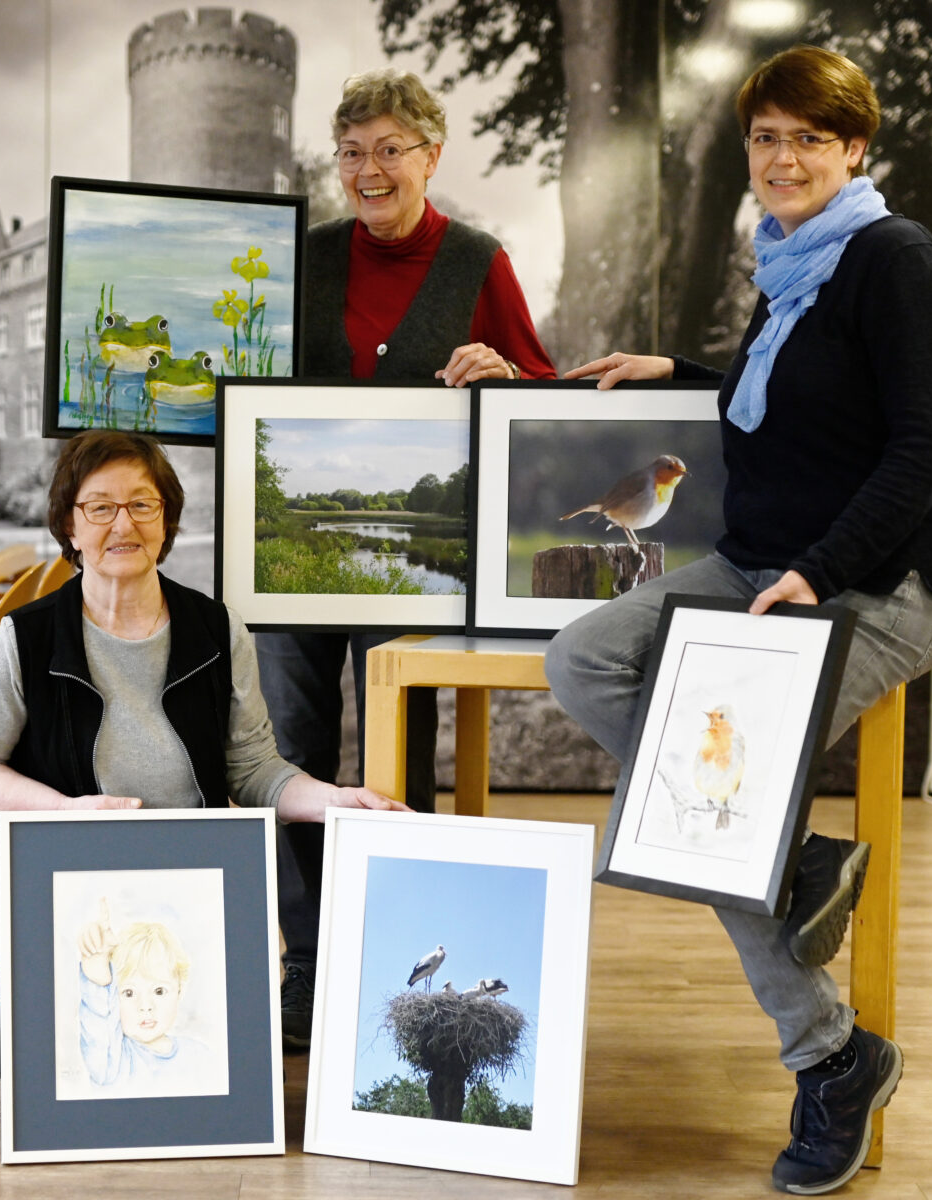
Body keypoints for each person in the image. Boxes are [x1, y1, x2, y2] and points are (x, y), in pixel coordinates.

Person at [546, 45, 932, 1195]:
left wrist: (820, 573)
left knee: (709, 807)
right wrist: (680, 364)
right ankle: (793, 862)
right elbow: (794, 382)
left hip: (877, 585)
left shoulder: (899, 263)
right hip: (757, 568)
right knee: (583, 654)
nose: (783, 159)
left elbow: (919, 454)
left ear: (854, 150)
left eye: (808, 140)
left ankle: (830, 1058)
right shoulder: (790, 263)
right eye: (766, 139)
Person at [0, 429, 408, 1079]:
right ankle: (14, 995)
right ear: (69, 526)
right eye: (100, 507)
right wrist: (63, 813)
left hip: (193, 889)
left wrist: (333, 800)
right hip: (78, 890)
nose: (121, 523)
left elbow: (254, 770)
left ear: (168, 520)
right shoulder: (28, 639)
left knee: (198, 1058)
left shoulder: (216, 630)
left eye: (142, 505)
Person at [257, 67, 556, 1050]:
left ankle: (393, 956)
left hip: (418, 568)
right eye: (352, 153)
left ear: (432, 155)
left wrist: (505, 372)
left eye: (391, 149)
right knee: (290, 752)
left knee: (397, 751)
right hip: (289, 558)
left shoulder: (478, 261)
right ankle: (304, 964)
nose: (370, 170)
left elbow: (540, 384)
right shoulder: (302, 258)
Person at [78, 913, 212, 1089]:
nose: (145, 1006)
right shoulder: (110, 1062)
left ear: (179, 991)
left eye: (158, 991)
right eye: (129, 993)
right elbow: (97, 1027)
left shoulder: (200, 1057)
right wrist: (97, 976)